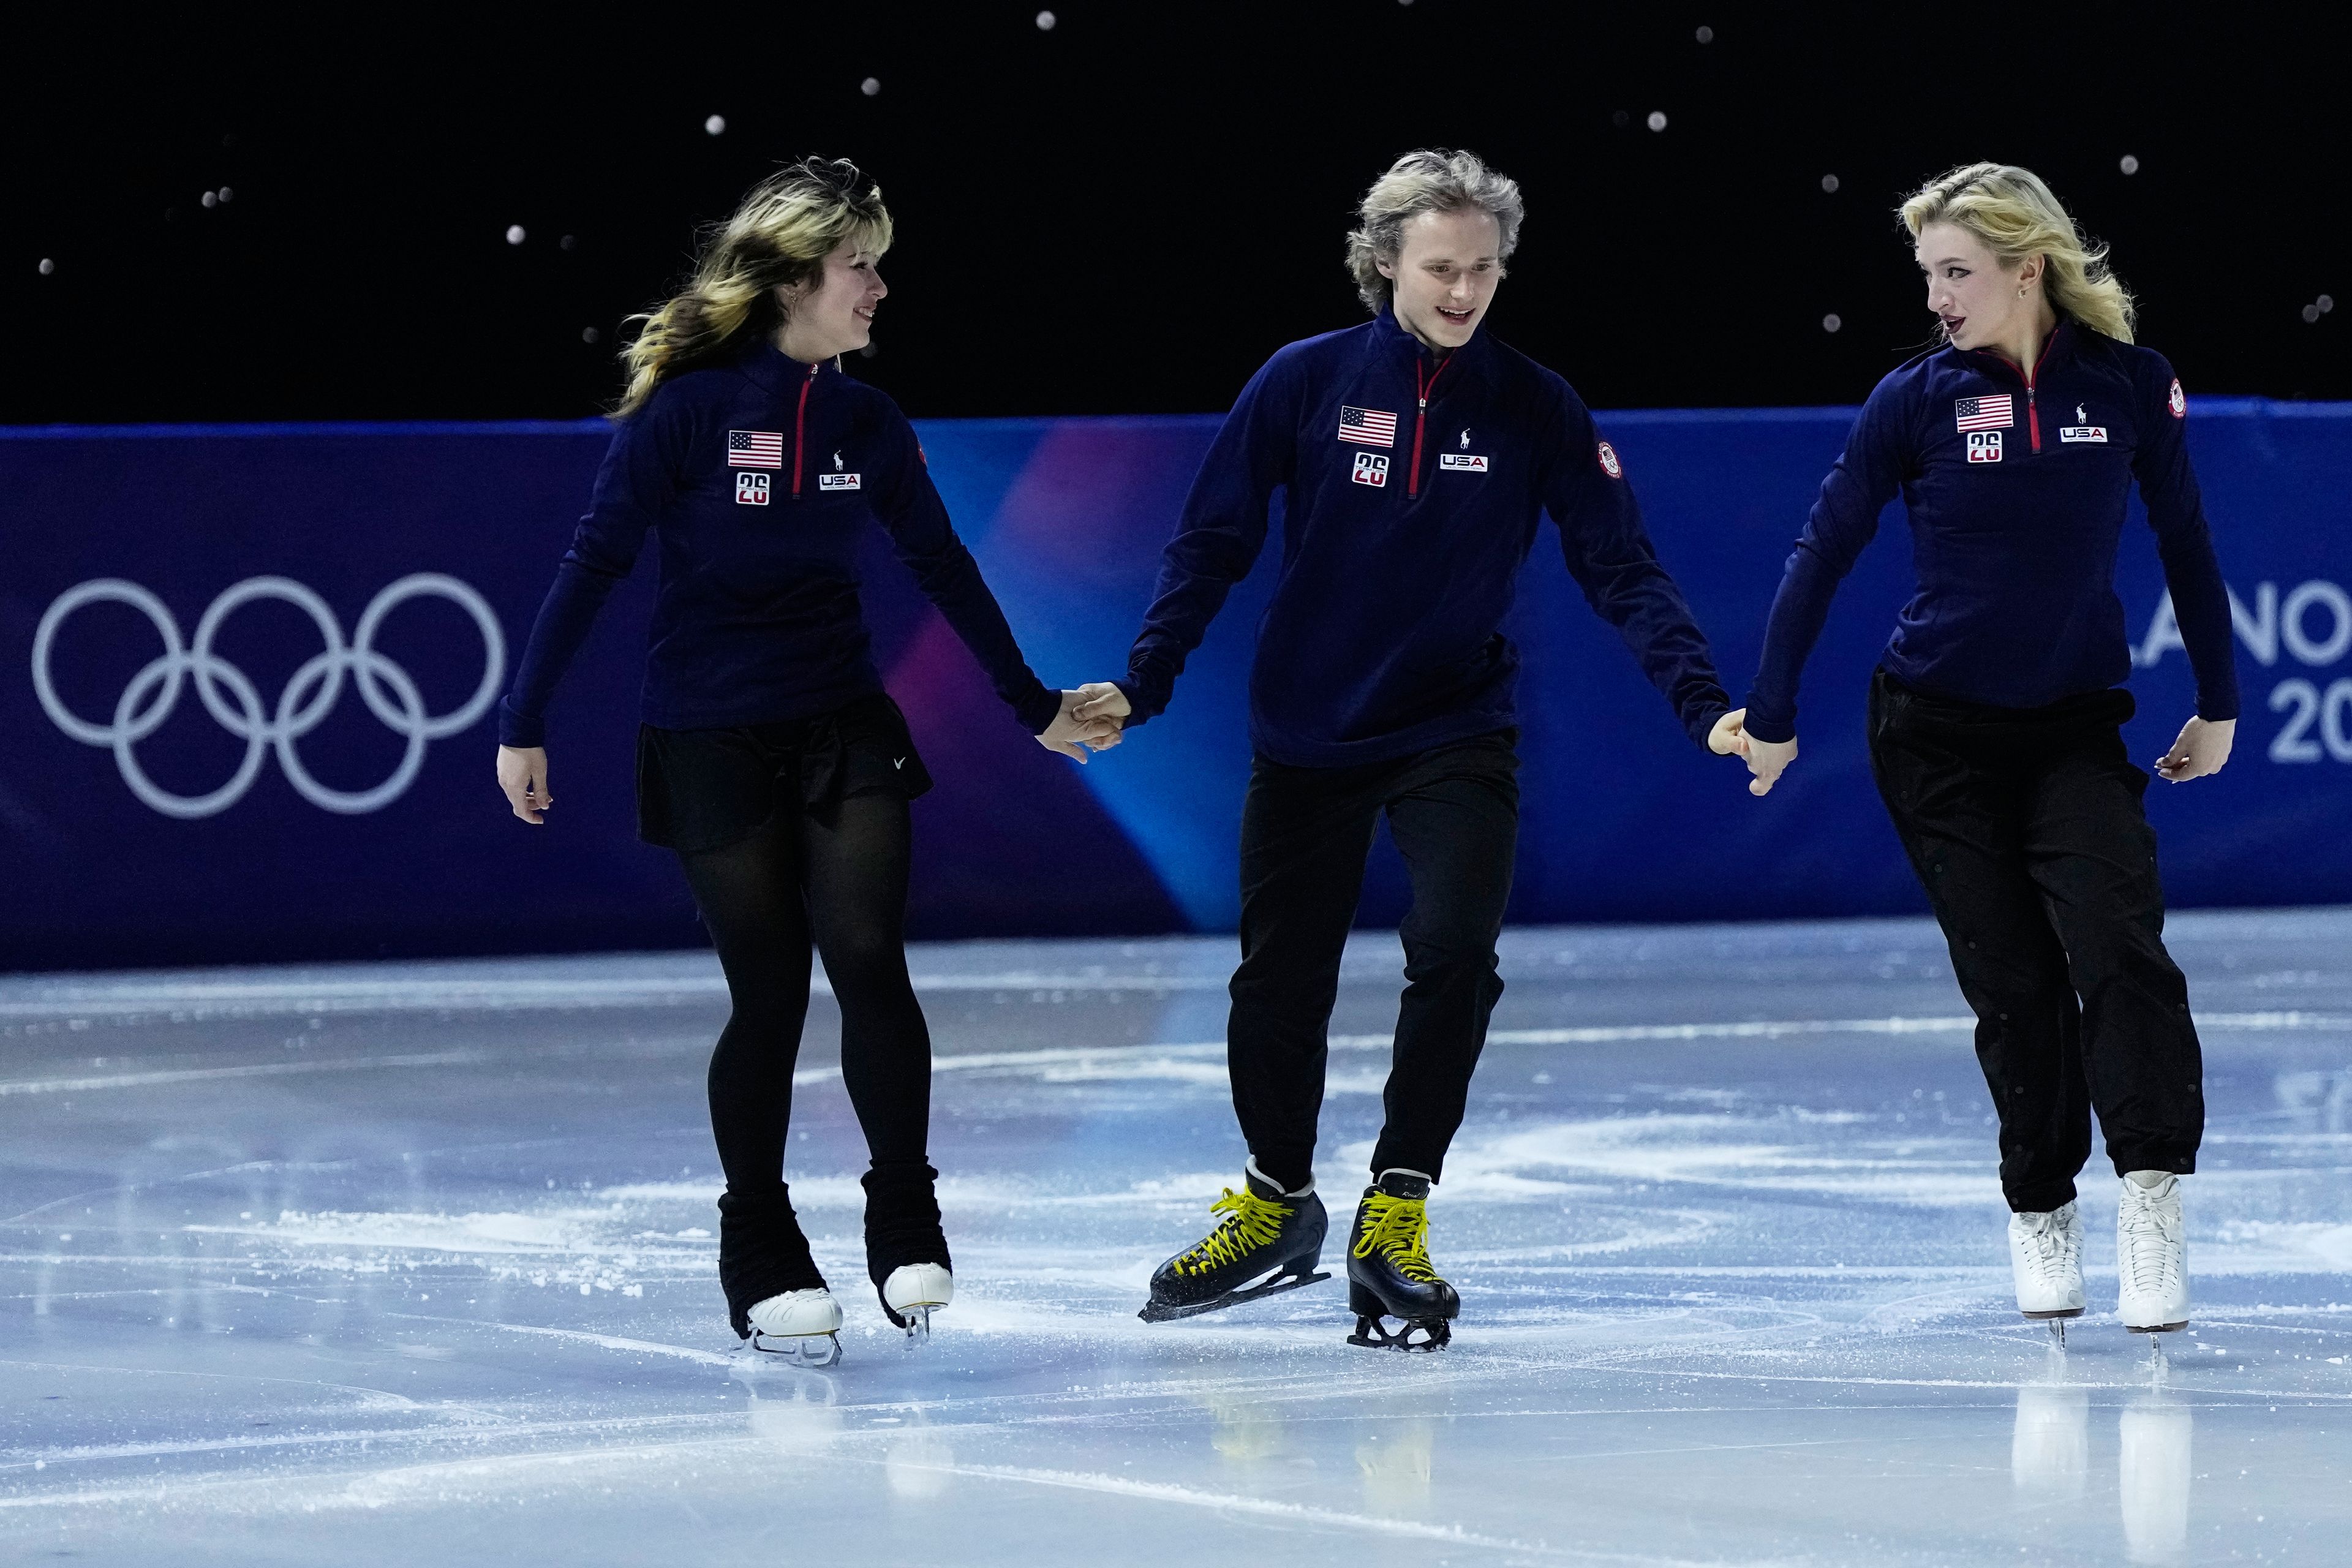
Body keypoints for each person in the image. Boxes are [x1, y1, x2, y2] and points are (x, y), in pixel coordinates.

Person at [1074, 149, 1737, 1350]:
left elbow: (1620, 564)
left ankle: (1398, 1206)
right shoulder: (1305, 379)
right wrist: (1145, 680)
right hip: (1309, 732)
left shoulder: (1535, 402)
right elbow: (1210, 541)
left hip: (1455, 728)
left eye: (1485, 269)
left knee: (1453, 947)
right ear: (1385, 261)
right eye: (1443, 267)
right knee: (1278, 984)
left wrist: (1704, 704)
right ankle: (1278, 1202)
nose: (1466, 290)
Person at [493, 157, 1114, 1363]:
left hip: (840, 722)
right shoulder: (682, 415)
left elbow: (943, 567)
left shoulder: (868, 421)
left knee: (871, 955)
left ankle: (904, 1209)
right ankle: (760, 1240)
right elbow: (591, 564)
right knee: (769, 988)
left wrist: (1033, 705)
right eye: (862, 264)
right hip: (710, 731)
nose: (880, 288)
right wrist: (525, 720)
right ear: (793, 278)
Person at [1719, 162, 2237, 1341]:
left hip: (2072, 732)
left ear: (2027, 269)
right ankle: (2042, 1206)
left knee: (2120, 948)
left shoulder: (2130, 385)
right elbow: (1822, 549)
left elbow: (2189, 545)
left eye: (1958, 274)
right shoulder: (1913, 398)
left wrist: (2219, 704)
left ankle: (2151, 1197)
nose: (1940, 298)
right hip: (1935, 740)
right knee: (2013, 988)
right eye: (1930, 276)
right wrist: (1776, 710)